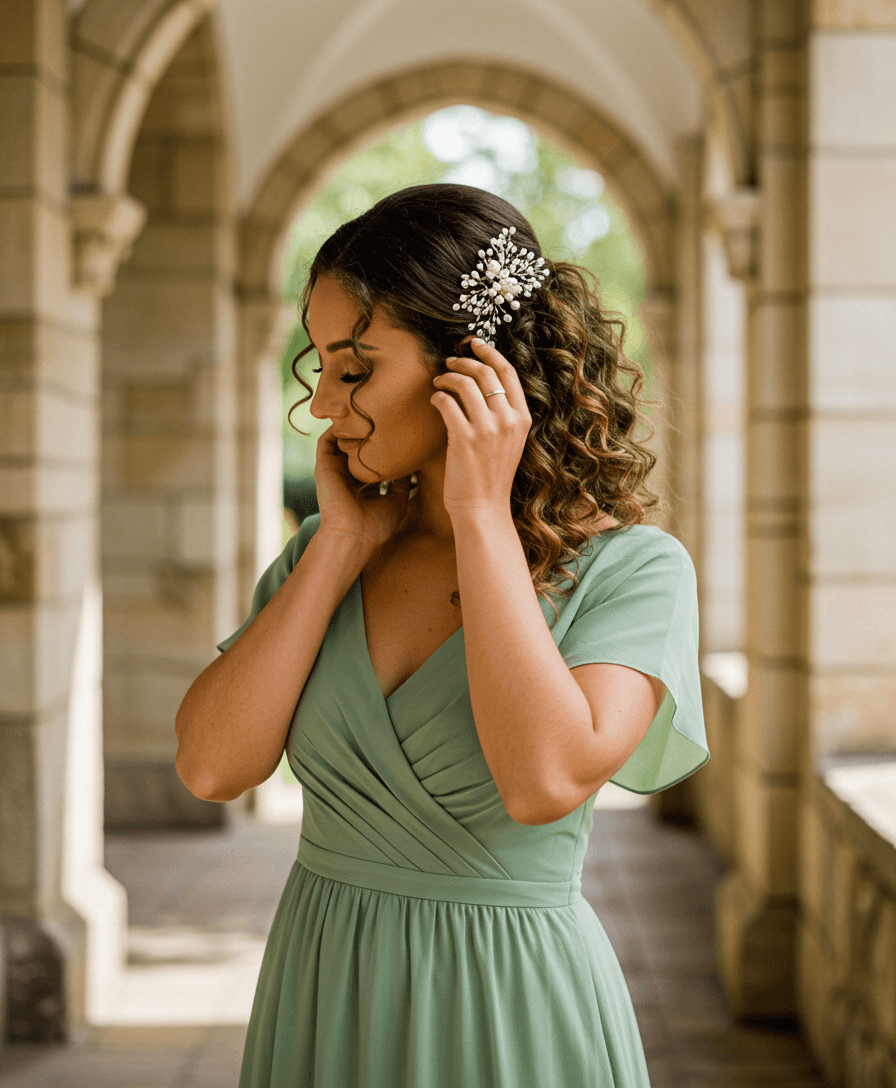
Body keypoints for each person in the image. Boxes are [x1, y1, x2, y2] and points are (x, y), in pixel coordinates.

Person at [174, 183, 709, 1087]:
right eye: (322, 366)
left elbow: (543, 780)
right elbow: (211, 768)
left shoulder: (635, 571)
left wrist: (480, 516)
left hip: (512, 1014)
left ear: (474, 372)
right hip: (323, 996)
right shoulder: (324, 555)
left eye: (356, 367)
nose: (321, 407)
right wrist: (340, 541)